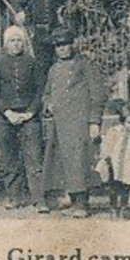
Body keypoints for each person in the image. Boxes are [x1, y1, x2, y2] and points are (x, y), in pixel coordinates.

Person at [41, 27, 107, 216]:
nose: (62, 49)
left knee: (79, 160)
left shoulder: (85, 65)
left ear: (72, 45)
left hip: (79, 121)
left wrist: (94, 121)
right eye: (58, 46)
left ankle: (82, 203)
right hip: (59, 123)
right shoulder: (54, 69)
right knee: (62, 161)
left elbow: (98, 94)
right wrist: (48, 104)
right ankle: (69, 196)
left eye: (65, 45)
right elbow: (47, 93)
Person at [0, 25, 46, 210]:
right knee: (9, 159)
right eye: (12, 40)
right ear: (6, 44)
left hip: (29, 116)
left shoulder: (32, 62)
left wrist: (31, 112)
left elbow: (40, 90)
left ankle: (39, 199)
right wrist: (8, 112)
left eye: (19, 40)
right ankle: (14, 197)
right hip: (5, 118)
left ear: (24, 43)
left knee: (34, 158)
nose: (16, 44)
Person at [97, 98, 130, 219]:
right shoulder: (115, 131)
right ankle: (113, 207)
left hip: (128, 163)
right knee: (114, 186)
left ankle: (123, 208)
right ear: (122, 121)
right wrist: (105, 158)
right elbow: (108, 145)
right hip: (115, 162)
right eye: (128, 122)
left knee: (126, 186)